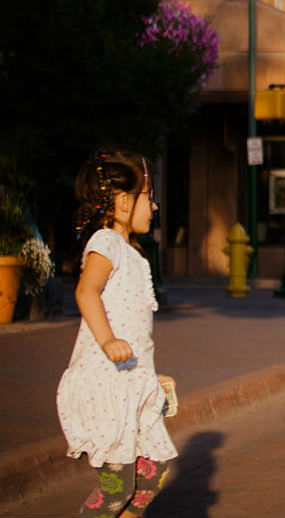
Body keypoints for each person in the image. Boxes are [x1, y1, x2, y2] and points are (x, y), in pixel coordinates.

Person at [57, 148, 177, 518]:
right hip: (103, 385)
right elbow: (86, 290)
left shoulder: (135, 255)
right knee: (118, 485)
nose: (153, 208)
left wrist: (147, 375)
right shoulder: (106, 242)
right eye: (149, 198)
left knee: (154, 472)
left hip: (130, 380)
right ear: (123, 201)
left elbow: (135, 329)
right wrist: (108, 340)